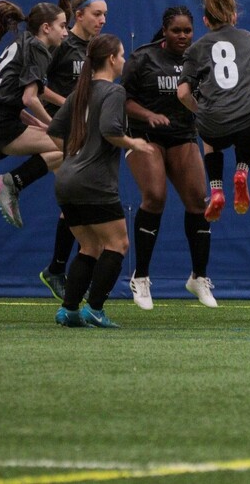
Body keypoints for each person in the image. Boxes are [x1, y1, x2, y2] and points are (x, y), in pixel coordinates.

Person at [49, 34, 153, 328]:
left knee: (89, 247)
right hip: (94, 182)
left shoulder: (79, 92)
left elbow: (54, 131)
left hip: (66, 180)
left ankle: (69, 310)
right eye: (122, 55)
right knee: (118, 244)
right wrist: (134, 143)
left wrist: (74, 157)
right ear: (111, 59)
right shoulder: (114, 92)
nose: (124, 60)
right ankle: (94, 309)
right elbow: (109, 129)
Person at [123, 5, 216, 310]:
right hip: (144, 134)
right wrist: (148, 115)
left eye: (187, 30)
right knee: (155, 196)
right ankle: (140, 276)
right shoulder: (144, 57)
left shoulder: (199, 58)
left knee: (198, 200)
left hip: (182, 135)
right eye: (176, 30)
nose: (182, 36)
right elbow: (123, 100)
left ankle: (198, 277)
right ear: (164, 31)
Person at [177, 0, 250, 224]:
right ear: (234, 17)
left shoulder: (196, 49)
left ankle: (216, 190)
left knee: (208, 132)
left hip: (214, 125)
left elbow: (183, 93)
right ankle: (241, 171)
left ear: (205, 21)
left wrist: (201, 111)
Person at [38, 0, 107, 300]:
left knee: (82, 205)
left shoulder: (97, 49)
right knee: (78, 202)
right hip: (61, 132)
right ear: (78, 15)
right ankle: (60, 271)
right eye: (97, 14)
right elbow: (36, 87)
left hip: (86, 134)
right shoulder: (61, 46)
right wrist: (68, 103)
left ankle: (65, 272)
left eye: (105, 15)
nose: (102, 20)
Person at [0, 0, 68, 229]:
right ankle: (12, 183)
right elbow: (29, 99)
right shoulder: (38, 49)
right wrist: (54, 126)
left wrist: (41, 122)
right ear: (46, 27)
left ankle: (64, 201)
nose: (66, 32)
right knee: (70, 145)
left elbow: (13, 98)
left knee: (64, 146)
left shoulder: (22, 42)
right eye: (63, 26)